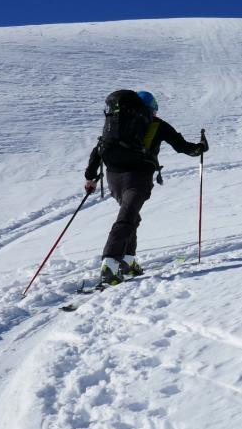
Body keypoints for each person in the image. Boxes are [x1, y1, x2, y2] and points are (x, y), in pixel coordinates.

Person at [83, 90, 207, 284]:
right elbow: (184, 147)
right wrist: (201, 147)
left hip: (113, 177)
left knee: (131, 215)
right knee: (126, 217)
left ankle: (128, 261)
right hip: (138, 177)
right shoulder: (157, 124)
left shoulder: (115, 124)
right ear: (150, 109)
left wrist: (91, 178)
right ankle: (110, 262)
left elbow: (100, 148)